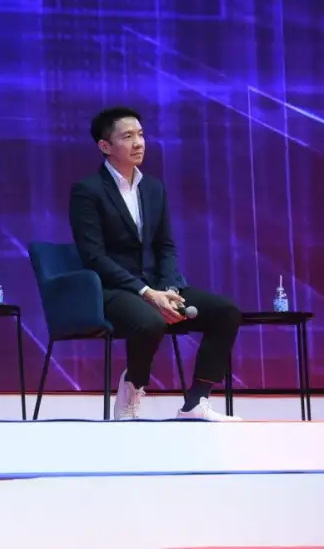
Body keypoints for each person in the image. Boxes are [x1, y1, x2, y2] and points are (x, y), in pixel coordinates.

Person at [69, 106, 242, 421]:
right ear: (105, 146)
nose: (138, 143)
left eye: (140, 134)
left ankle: (196, 403)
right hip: (114, 290)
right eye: (127, 136)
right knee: (151, 321)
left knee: (225, 312)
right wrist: (147, 293)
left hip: (157, 286)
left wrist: (169, 288)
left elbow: (165, 247)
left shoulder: (153, 188)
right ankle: (133, 387)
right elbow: (94, 257)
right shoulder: (88, 191)